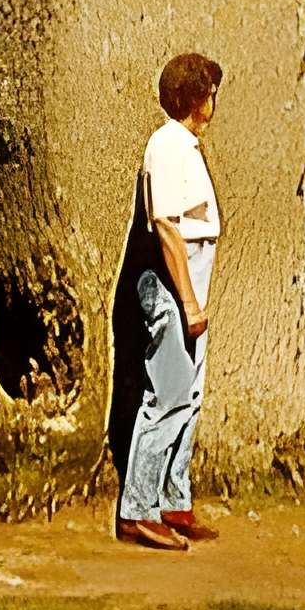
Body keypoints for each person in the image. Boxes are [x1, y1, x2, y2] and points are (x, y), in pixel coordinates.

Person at [115, 50, 224, 550]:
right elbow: (166, 226)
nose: (214, 101)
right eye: (210, 92)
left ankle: (174, 500)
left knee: (191, 397)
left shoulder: (186, 146)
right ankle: (137, 511)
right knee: (169, 394)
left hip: (190, 284)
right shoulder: (167, 144)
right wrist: (189, 304)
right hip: (168, 285)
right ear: (196, 97)